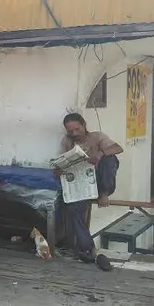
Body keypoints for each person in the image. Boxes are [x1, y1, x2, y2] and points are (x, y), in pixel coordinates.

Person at [58, 113, 123, 271]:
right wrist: (59, 168)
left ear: (84, 125)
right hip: (82, 185)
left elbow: (118, 148)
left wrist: (100, 153)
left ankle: (104, 194)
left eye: (77, 129)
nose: (74, 133)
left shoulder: (97, 136)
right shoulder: (67, 141)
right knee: (72, 209)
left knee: (110, 159)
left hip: (101, 182)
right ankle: (88, 249)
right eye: (70, 131)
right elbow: (61, 161)